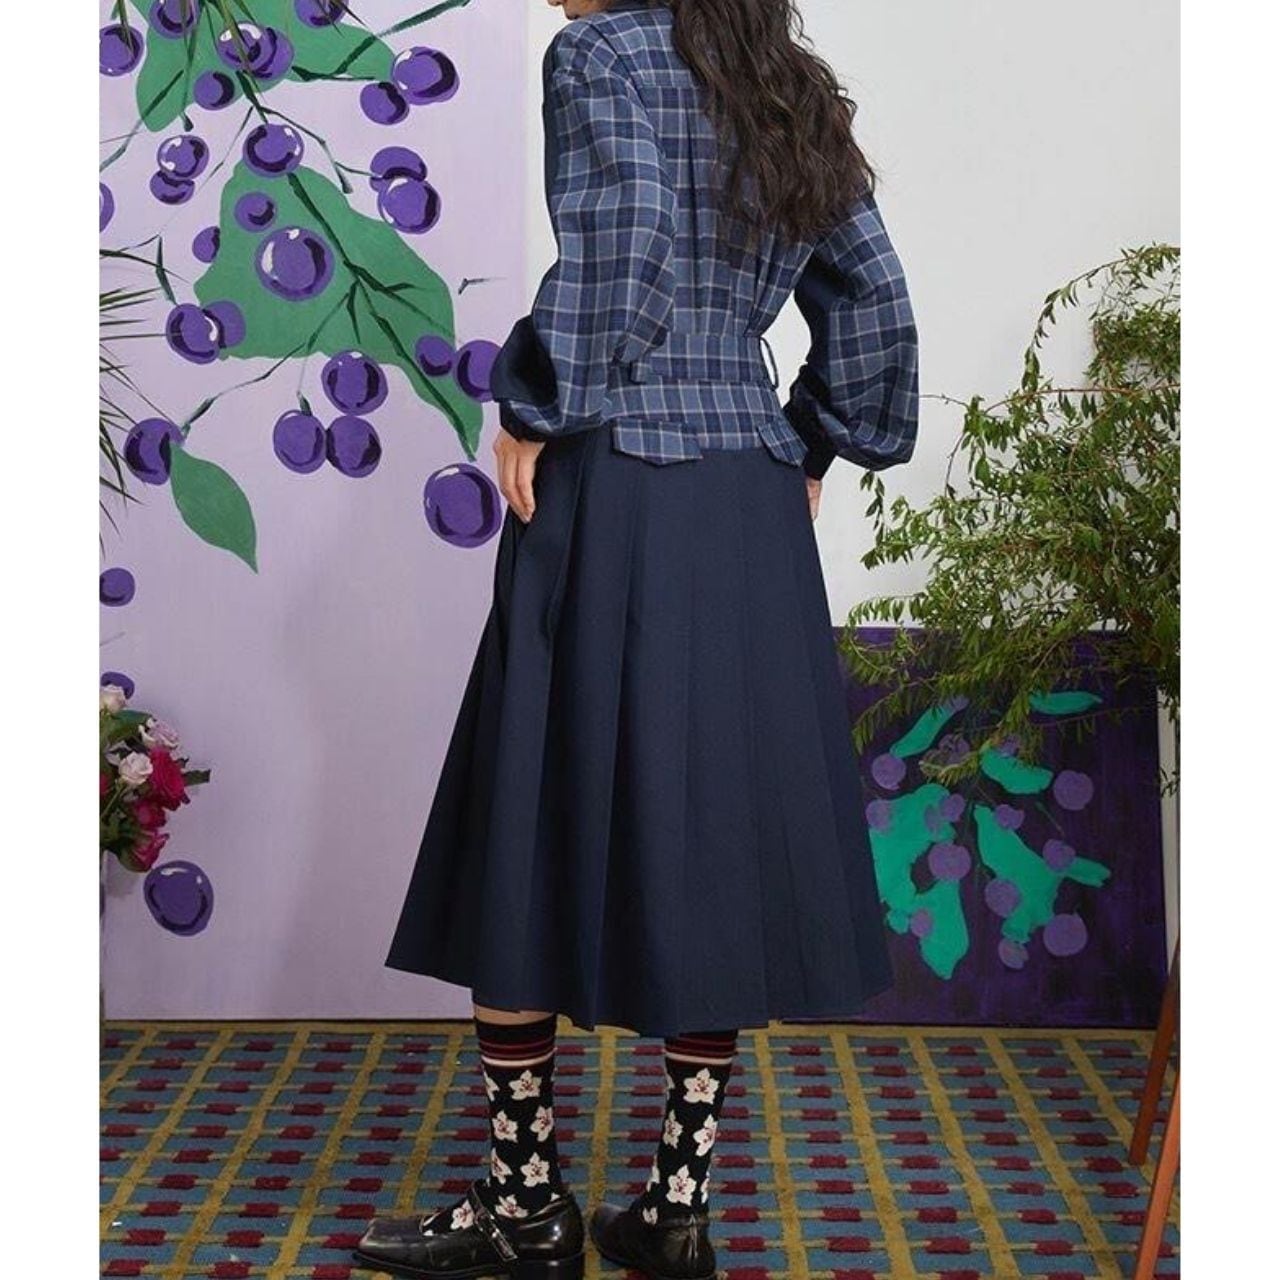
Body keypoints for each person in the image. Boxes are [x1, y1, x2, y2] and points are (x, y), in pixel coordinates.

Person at [357, 0, 918, 1276]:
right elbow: (874, 293)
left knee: (527, 815)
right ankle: (674, 1207)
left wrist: (536, 401)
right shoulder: (782, 78)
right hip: (744, 501)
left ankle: (523, 1205)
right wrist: (812, 435)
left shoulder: (599, 54)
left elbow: (630, 237)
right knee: (712, 832)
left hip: (617, 485)